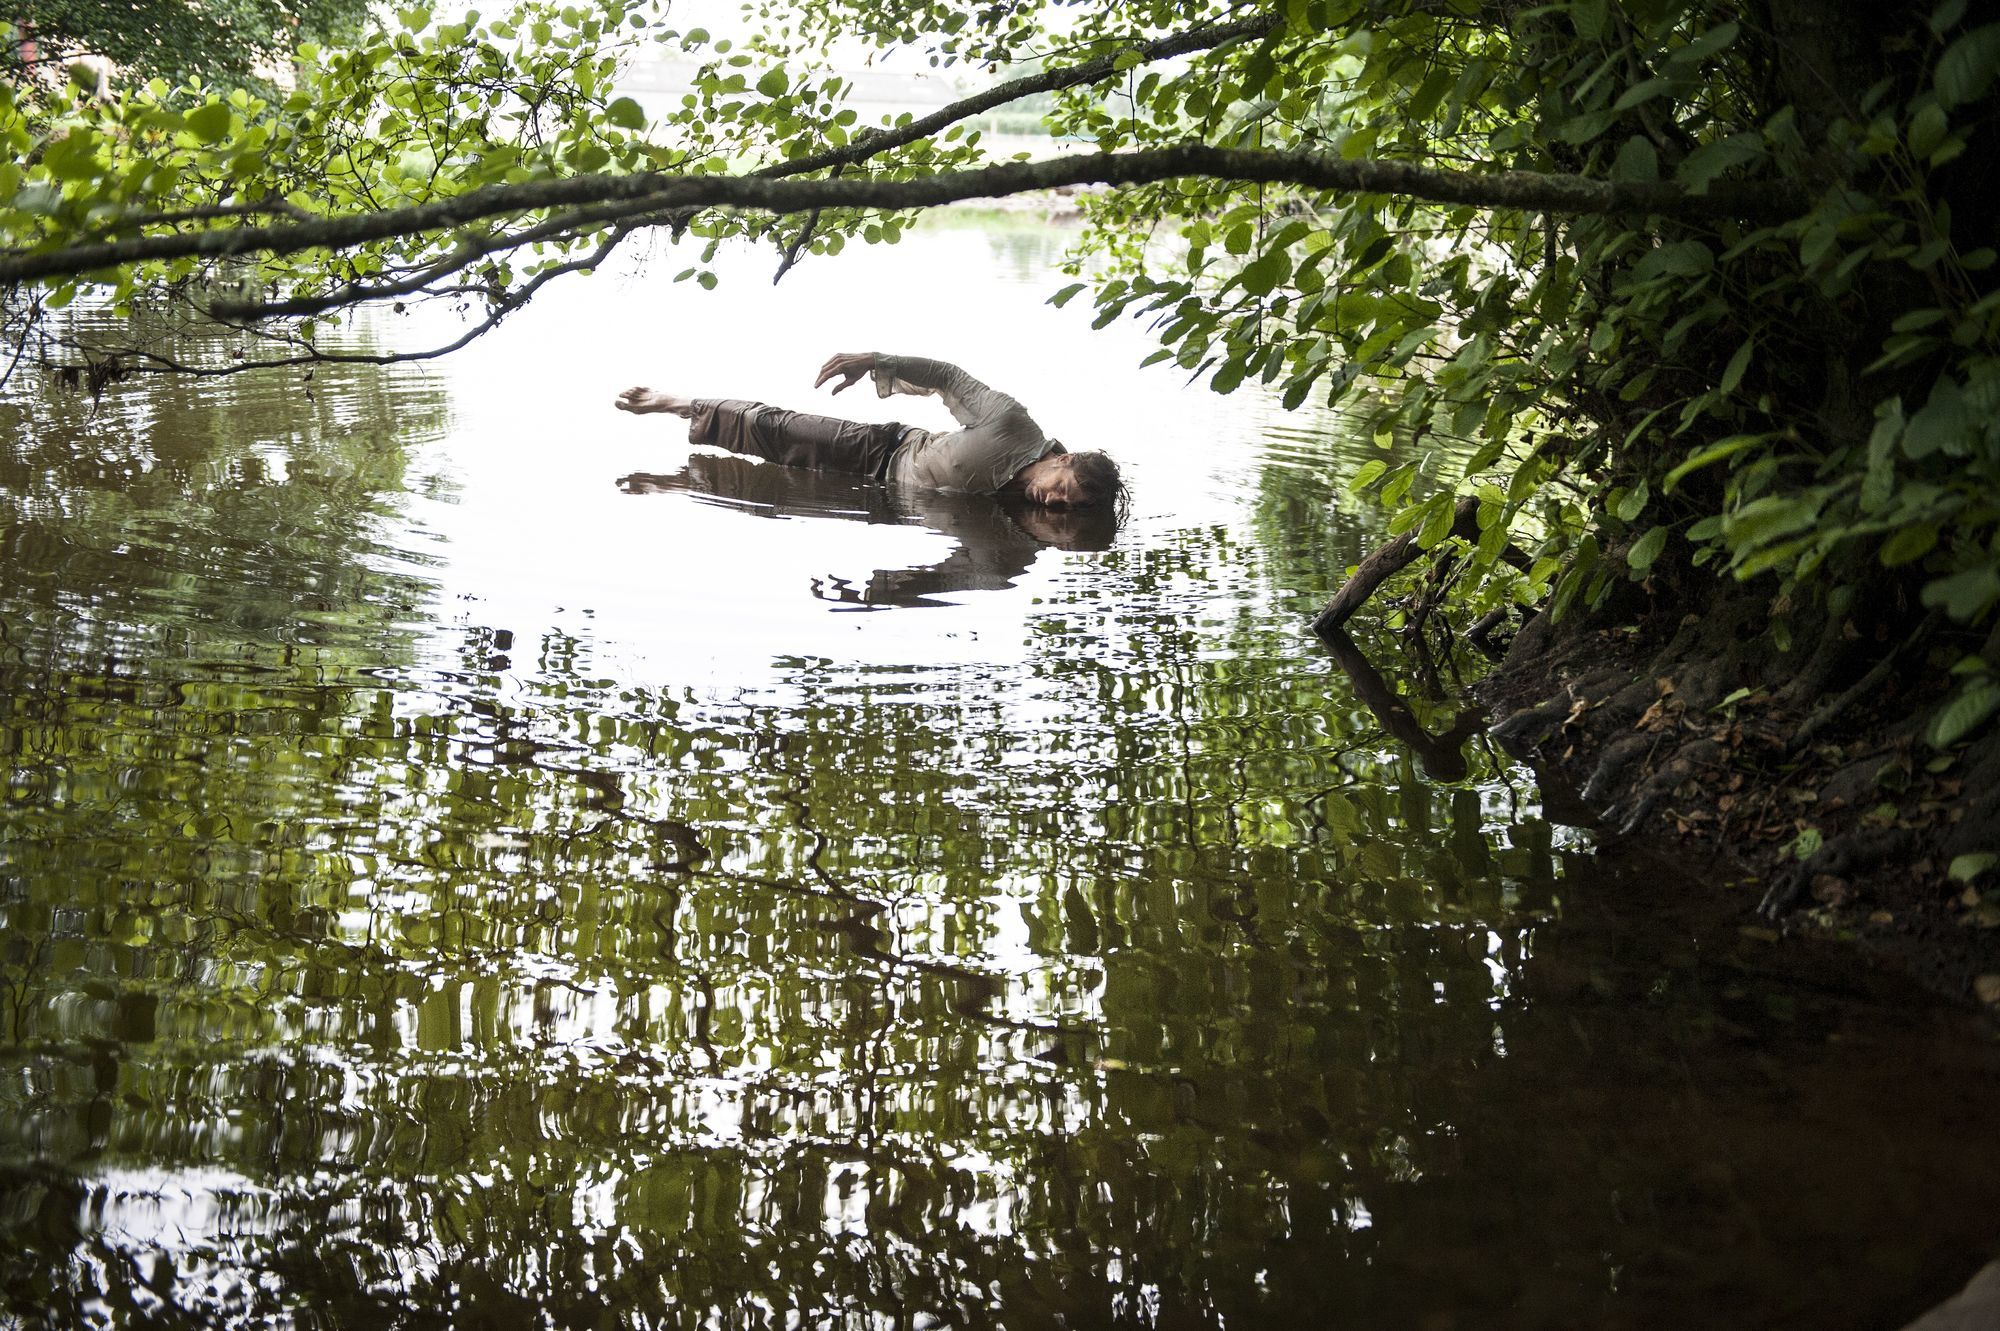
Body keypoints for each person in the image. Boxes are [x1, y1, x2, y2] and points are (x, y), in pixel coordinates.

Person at [614, 352, 1123, 510]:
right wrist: (876, 361)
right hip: (884, 449)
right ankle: (677, 404)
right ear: (1064, 459)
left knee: (774, 503)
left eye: (1067, 506)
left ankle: (680, 484)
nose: (1055, 503)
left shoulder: (1035, 523)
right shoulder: (1010, 424)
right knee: (776, 429)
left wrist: (888, 593)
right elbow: (948, 377)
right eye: (1062, 489)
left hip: (883, 508)